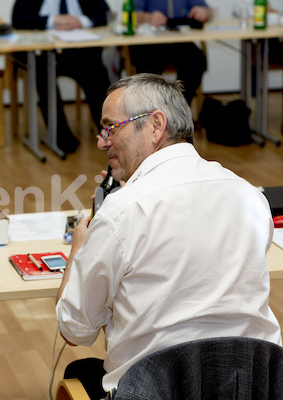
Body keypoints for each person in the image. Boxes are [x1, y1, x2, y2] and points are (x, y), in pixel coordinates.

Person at [55, 73, 282, 398]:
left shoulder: (121, 211)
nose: (101, 141)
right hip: (251, 387)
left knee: (79, 372)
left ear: (155, 125)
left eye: (109, 127)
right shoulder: (250, 197)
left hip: (151, 390)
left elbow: (74, 330)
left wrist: (80, 245)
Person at [11, 0, 112, 154]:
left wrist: (80, 21)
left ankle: (109, 134)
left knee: (97, 74)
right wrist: (54, 19)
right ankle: (61, 138)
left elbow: (107, 14)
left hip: (78, 51)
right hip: (43, 54)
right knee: (44, 76)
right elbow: (18, 19)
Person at [129, 0, 211, 106]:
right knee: (148, 67)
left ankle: (180, 106)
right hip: (149, 42)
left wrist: (203, 11)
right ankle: (152, 109)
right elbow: (130, 14)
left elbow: (208, 10)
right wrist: (147, 17)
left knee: (196, 60)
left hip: (178, 39)